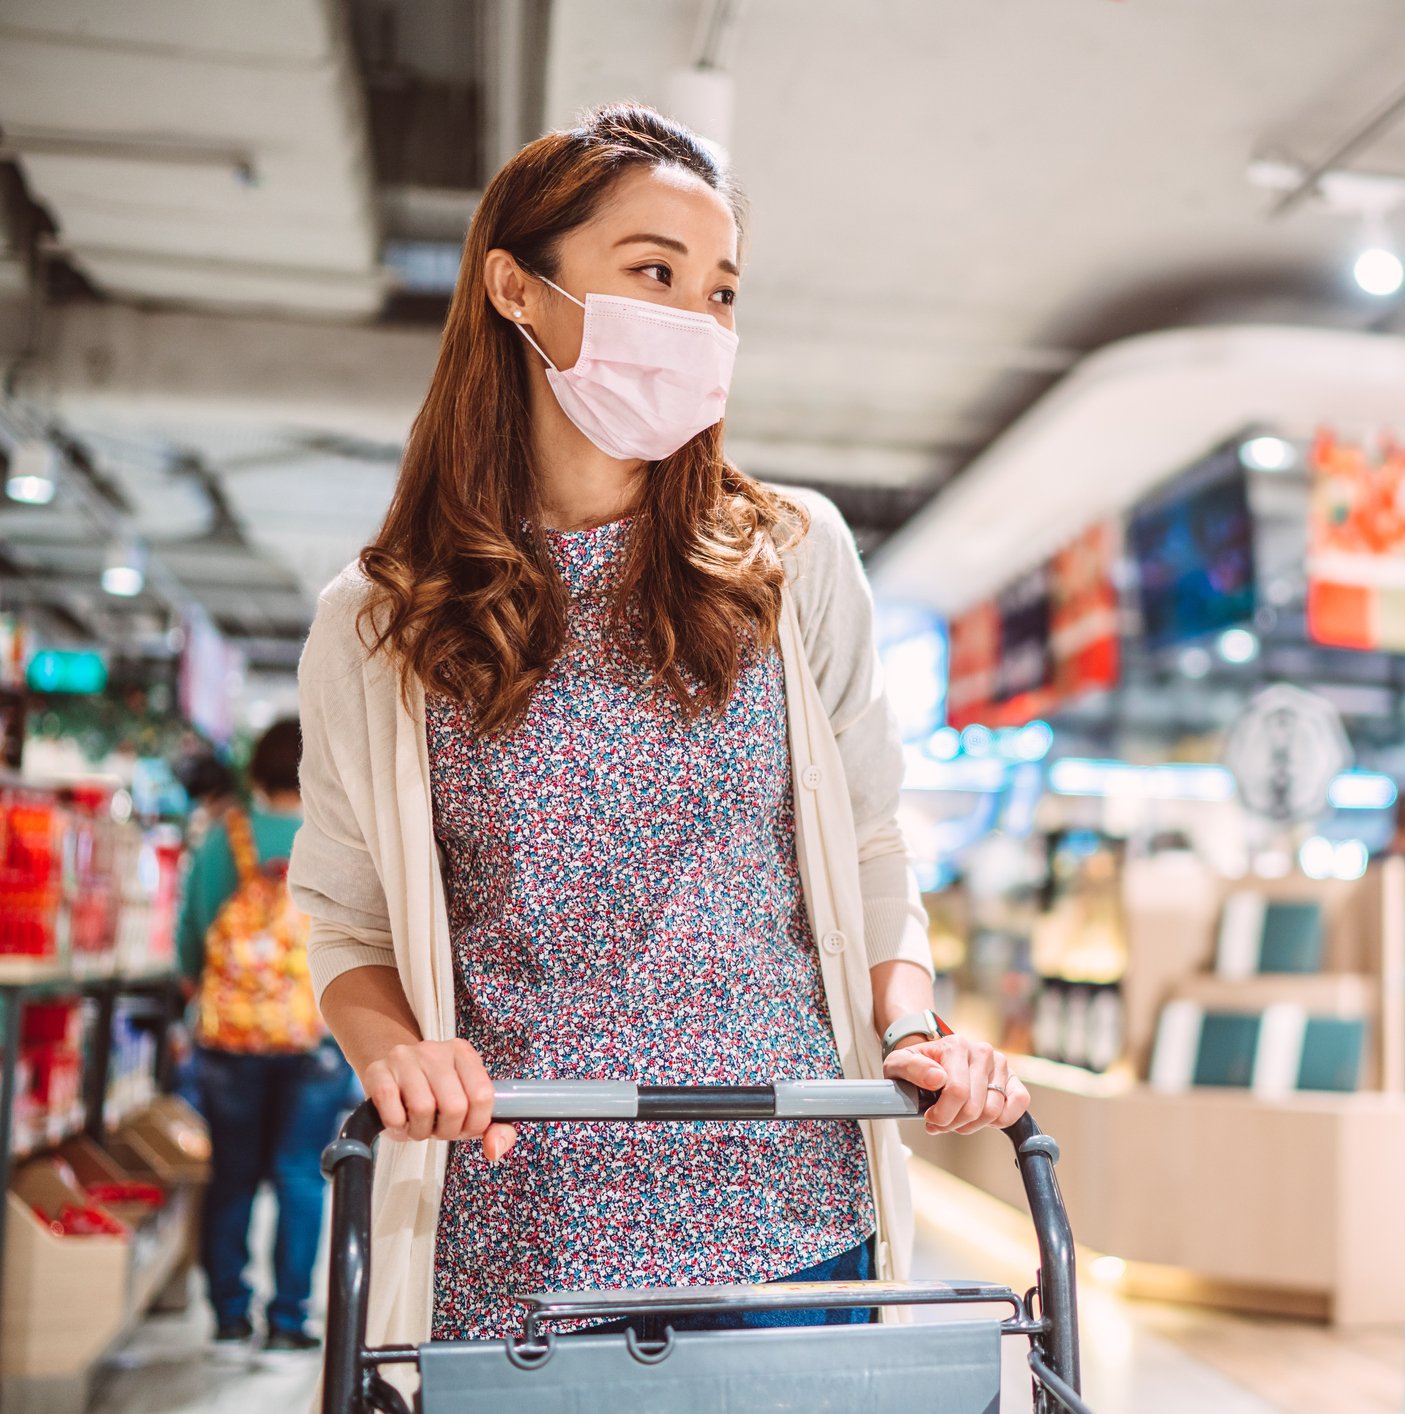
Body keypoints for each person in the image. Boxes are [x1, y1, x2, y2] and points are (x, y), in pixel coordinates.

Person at [288, 102, 1029, 1348]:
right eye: (653, 273)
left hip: (792, 1208)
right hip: (521, 1229)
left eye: (721, 291)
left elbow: (863, 848)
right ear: (516, 290)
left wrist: (911, 1024)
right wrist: (395, 1052)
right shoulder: (378, 621)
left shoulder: (792, 561)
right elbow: (348, 913)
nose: (696, 321)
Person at [177, 718, 347, 1354]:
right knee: (302, 1174)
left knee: (233, 1174)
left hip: (229, 1040)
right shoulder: (334, 834)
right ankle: (288, 1321)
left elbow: (191, 929)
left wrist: (201, 991)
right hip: (314, 1038)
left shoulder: (225, 837)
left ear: (256, 772)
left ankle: (226, 1315)